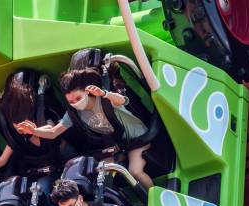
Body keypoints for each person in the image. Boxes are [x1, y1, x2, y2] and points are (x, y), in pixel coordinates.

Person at [15, 68, 153, 189]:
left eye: (78, 98)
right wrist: (33, 131)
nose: (75, 103)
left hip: (137, 139)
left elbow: (122, 100)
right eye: (71, 101)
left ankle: (154, 199)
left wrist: (105, 94)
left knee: (135, 171)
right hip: (117, 144)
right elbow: (53, 132)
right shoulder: (74, 113)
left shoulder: (103, 100)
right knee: (101, 175)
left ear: (87, 92)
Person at [0, 72, 75, 193]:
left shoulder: (42, 116)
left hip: (64, 155)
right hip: (45, 168)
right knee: (41, 190)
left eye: (24, 124)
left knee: (73, 177)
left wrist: (34, 131)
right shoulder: (15, 131)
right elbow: (3, 159)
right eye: (17, 126)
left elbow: (51, 129)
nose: (22, 129)